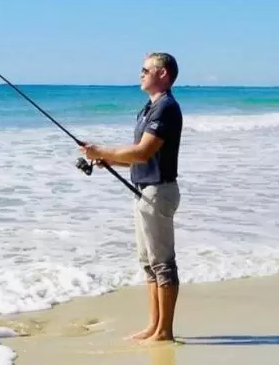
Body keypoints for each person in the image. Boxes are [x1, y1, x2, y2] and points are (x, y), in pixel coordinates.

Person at [80, 52, 182, 342]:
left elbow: (142, 152)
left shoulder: (166, 108)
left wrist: (101, 151)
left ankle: (165, 330)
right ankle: (154, 325)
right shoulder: (148, 109)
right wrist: (109, 161)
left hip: (158, 191)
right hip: (143, 191)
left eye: (145, 69)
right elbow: (140, 159)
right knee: (148, 263)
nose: (140, 74)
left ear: (162, 74)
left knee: (163, 263)